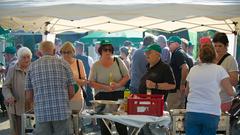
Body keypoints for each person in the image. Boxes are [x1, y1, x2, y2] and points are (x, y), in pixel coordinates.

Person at [25, 41, 75, 135]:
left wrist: (38, 104)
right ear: (55, 51)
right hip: (62, 112)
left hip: (41, 113)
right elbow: (72, 92)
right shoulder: (64, 64)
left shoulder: (31, 67)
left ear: (40, 53)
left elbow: (28, 96)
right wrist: (62, 101)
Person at [184, 45, 235, 135]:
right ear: (214, 55)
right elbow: (230, 92)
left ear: (200, 56)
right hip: (211, 112)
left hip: (192, 111)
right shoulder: (219, 70)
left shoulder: (193, 69)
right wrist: (234, 91)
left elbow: (186, 92)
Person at [89, 40, 129, 135]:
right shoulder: (96, 65)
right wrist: (105, 87)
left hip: (118, 95)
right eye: (105, 49)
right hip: (102, 97)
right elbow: (91, 83)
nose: (108, 52)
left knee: (121, 124)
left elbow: (127, 76)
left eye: (110, 50)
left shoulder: (118, 61)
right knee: (105, 126)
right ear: (100, 51)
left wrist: (118, 85)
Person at [2, 47, 32, 135]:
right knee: (17, 131)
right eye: (23, 57)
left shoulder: (34, 68)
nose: (26, 60)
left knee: (31, 131)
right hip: (16, 108)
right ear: (18, 58)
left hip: (32, 108)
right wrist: (9, 96)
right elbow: (6, 86)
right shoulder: (12, 69)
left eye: (28, 57)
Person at [213, 32, 239, 112]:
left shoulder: (230, 60)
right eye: (215, 46)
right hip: (211, 100)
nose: (217, 49)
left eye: (220, 46)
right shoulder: (212, 58)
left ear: (226, 45)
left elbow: (234, 81)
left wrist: (221, 75)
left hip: (224, 100)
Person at [167, 36, 189, 110]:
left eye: (170, 43)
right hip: (178, 89)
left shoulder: (178, 53)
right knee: (179, 114)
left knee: (173, 112)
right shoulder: (181, 52)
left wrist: (182, 84)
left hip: (176, 90)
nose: (168, 45)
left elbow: (185, 68)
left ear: (176, 44)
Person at [74, 41, 94, 106]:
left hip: (77, 88)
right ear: (83, 49)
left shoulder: (72, 59)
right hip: (86, 87)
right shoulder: (89, 59)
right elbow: (92, 72)